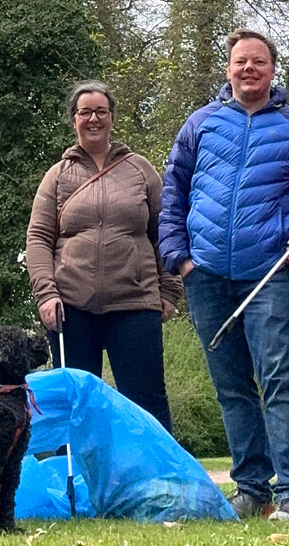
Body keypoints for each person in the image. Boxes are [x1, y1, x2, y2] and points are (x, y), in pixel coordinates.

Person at [159, 29, 289, 522]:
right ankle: (251, 488)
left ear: (272, 70)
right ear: (228, 69)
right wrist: (179, 257)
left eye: (259, 62)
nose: (249, 69)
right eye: (240, 61)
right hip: (205, 274)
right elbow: (173, 190)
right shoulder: (201, 123)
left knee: (279, 379)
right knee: (230, 386)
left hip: (270, 274)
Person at [26, 80, 183, 433]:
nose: (93, 119)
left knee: (146, 402)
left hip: (135, 301)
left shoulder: (140, 169)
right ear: (74, 119)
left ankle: (154, 469)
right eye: (85, 112)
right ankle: (76, 470)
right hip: (71, 306)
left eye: (101, 111)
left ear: (112, 117)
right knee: (75, 406)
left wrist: (170, 289)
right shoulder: (56, 176)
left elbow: (164, 231)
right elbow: (38, 238)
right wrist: (46, 294)